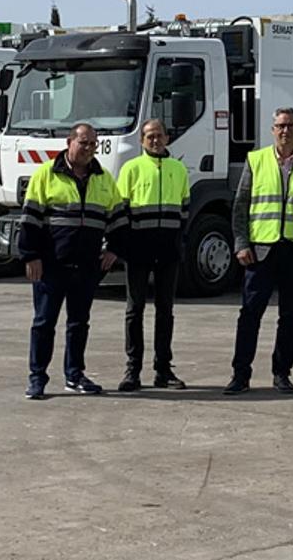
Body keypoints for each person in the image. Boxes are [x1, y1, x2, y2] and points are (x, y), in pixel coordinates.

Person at [19, 122, 126, 400]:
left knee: (79, 324)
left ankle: (75, 375)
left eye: (93, 144)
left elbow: (119, 219)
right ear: (69, 142)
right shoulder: (45, 174)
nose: (89, 148)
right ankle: (37, 379)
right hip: (51, 266)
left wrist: (114, 249)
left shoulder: (103, 178)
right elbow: (30, 220)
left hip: (87, 266)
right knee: (44, 323)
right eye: (84, 143)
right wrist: (31, 255)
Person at [225, 107, 293, 395]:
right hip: (261, 251)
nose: (285, 131)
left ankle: (282, 373)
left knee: (290, 316)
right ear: (272, 130)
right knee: (250, 314)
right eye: (280, 125)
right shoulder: (256, 160)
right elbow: (240, 205)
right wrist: (241, 243)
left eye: (291, 125)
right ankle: (240, 375)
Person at [115, 119, 191, 392]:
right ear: (141, 141)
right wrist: (124, 246)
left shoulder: (178, 169)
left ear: (167, 138)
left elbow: (184, 209)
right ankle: (132, 370)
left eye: (159, 135)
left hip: (168, 251)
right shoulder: (131, 169)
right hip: (138, 251)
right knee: (134, 310)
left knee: (165, 311)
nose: (155, 140)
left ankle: (163, 369)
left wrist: (177, 242)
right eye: (149, 136)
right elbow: (120, 210)